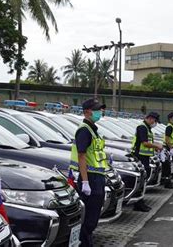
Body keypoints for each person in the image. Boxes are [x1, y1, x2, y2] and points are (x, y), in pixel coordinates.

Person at [70, 98, 108, 247]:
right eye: (97, 109)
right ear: (86, 112)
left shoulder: (93, 130)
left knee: (93, 217)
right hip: (90, 179)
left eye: (100, 109)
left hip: (97, 177)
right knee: (89, 219)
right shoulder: (84, 130)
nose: (100, 112)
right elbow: (81, 156)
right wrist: (85, 181)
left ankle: (87, 242)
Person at [132, 112, 163, 212]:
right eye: (155, 120)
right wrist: (156, 146)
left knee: (143, 180)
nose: (155, 123)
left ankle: (140, 201)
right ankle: (138, 203)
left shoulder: (147, 127)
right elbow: (145, 143)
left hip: (145, 157)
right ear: (150, 118)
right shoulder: (142, 127)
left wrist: (155, 147)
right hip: (140, 156)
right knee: (141, 180)